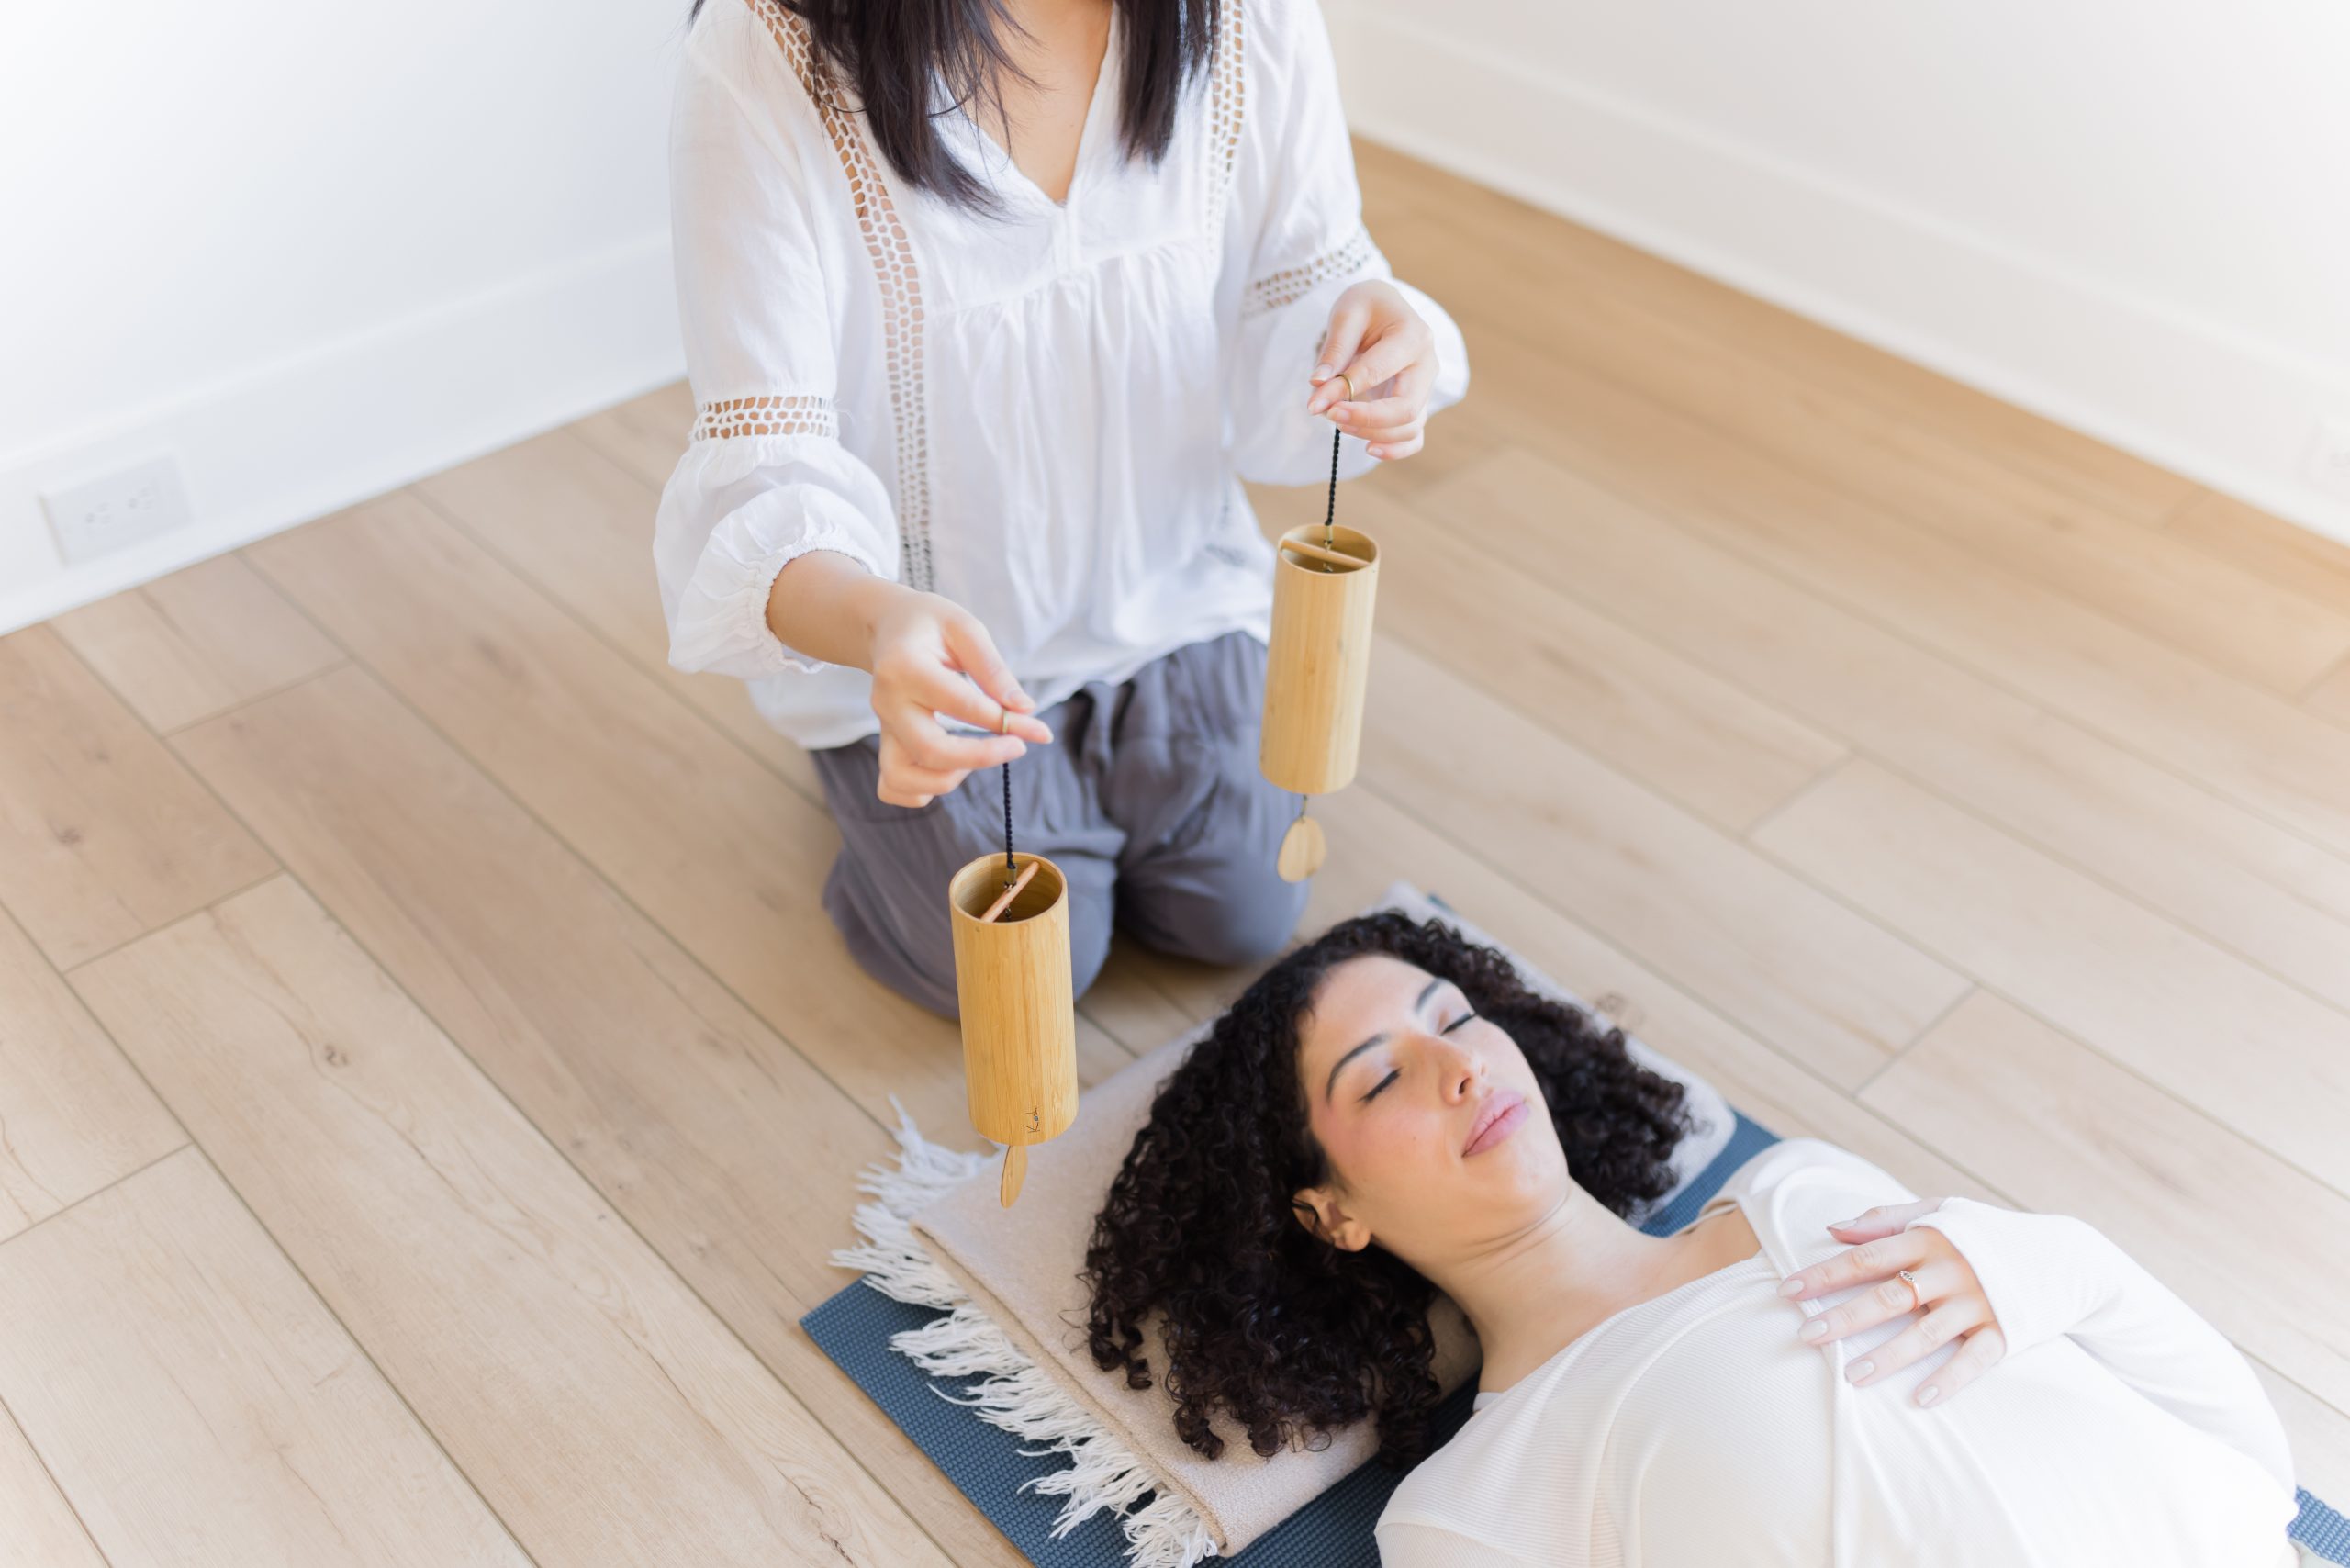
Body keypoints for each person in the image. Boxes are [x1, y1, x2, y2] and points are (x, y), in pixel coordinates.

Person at [653, 0, 1469, 1017]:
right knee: (1022, 971)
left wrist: (1371, 348)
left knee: (1242, 909)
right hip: (936, 655)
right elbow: (765, 473)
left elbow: (1305, 286)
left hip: (1166, 590)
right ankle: (867, 792)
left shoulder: (1244, 17)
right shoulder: (763, 56)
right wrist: (879, 626)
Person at [1080, 912, 2303, 1567]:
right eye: (1380, 1074)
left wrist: (2051, 1258)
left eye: (1452, 1016)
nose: (1459, 1064)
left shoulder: (1800, 1188)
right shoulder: (1473, 1510)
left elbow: (2248, 1463)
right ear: (1330, 1212)